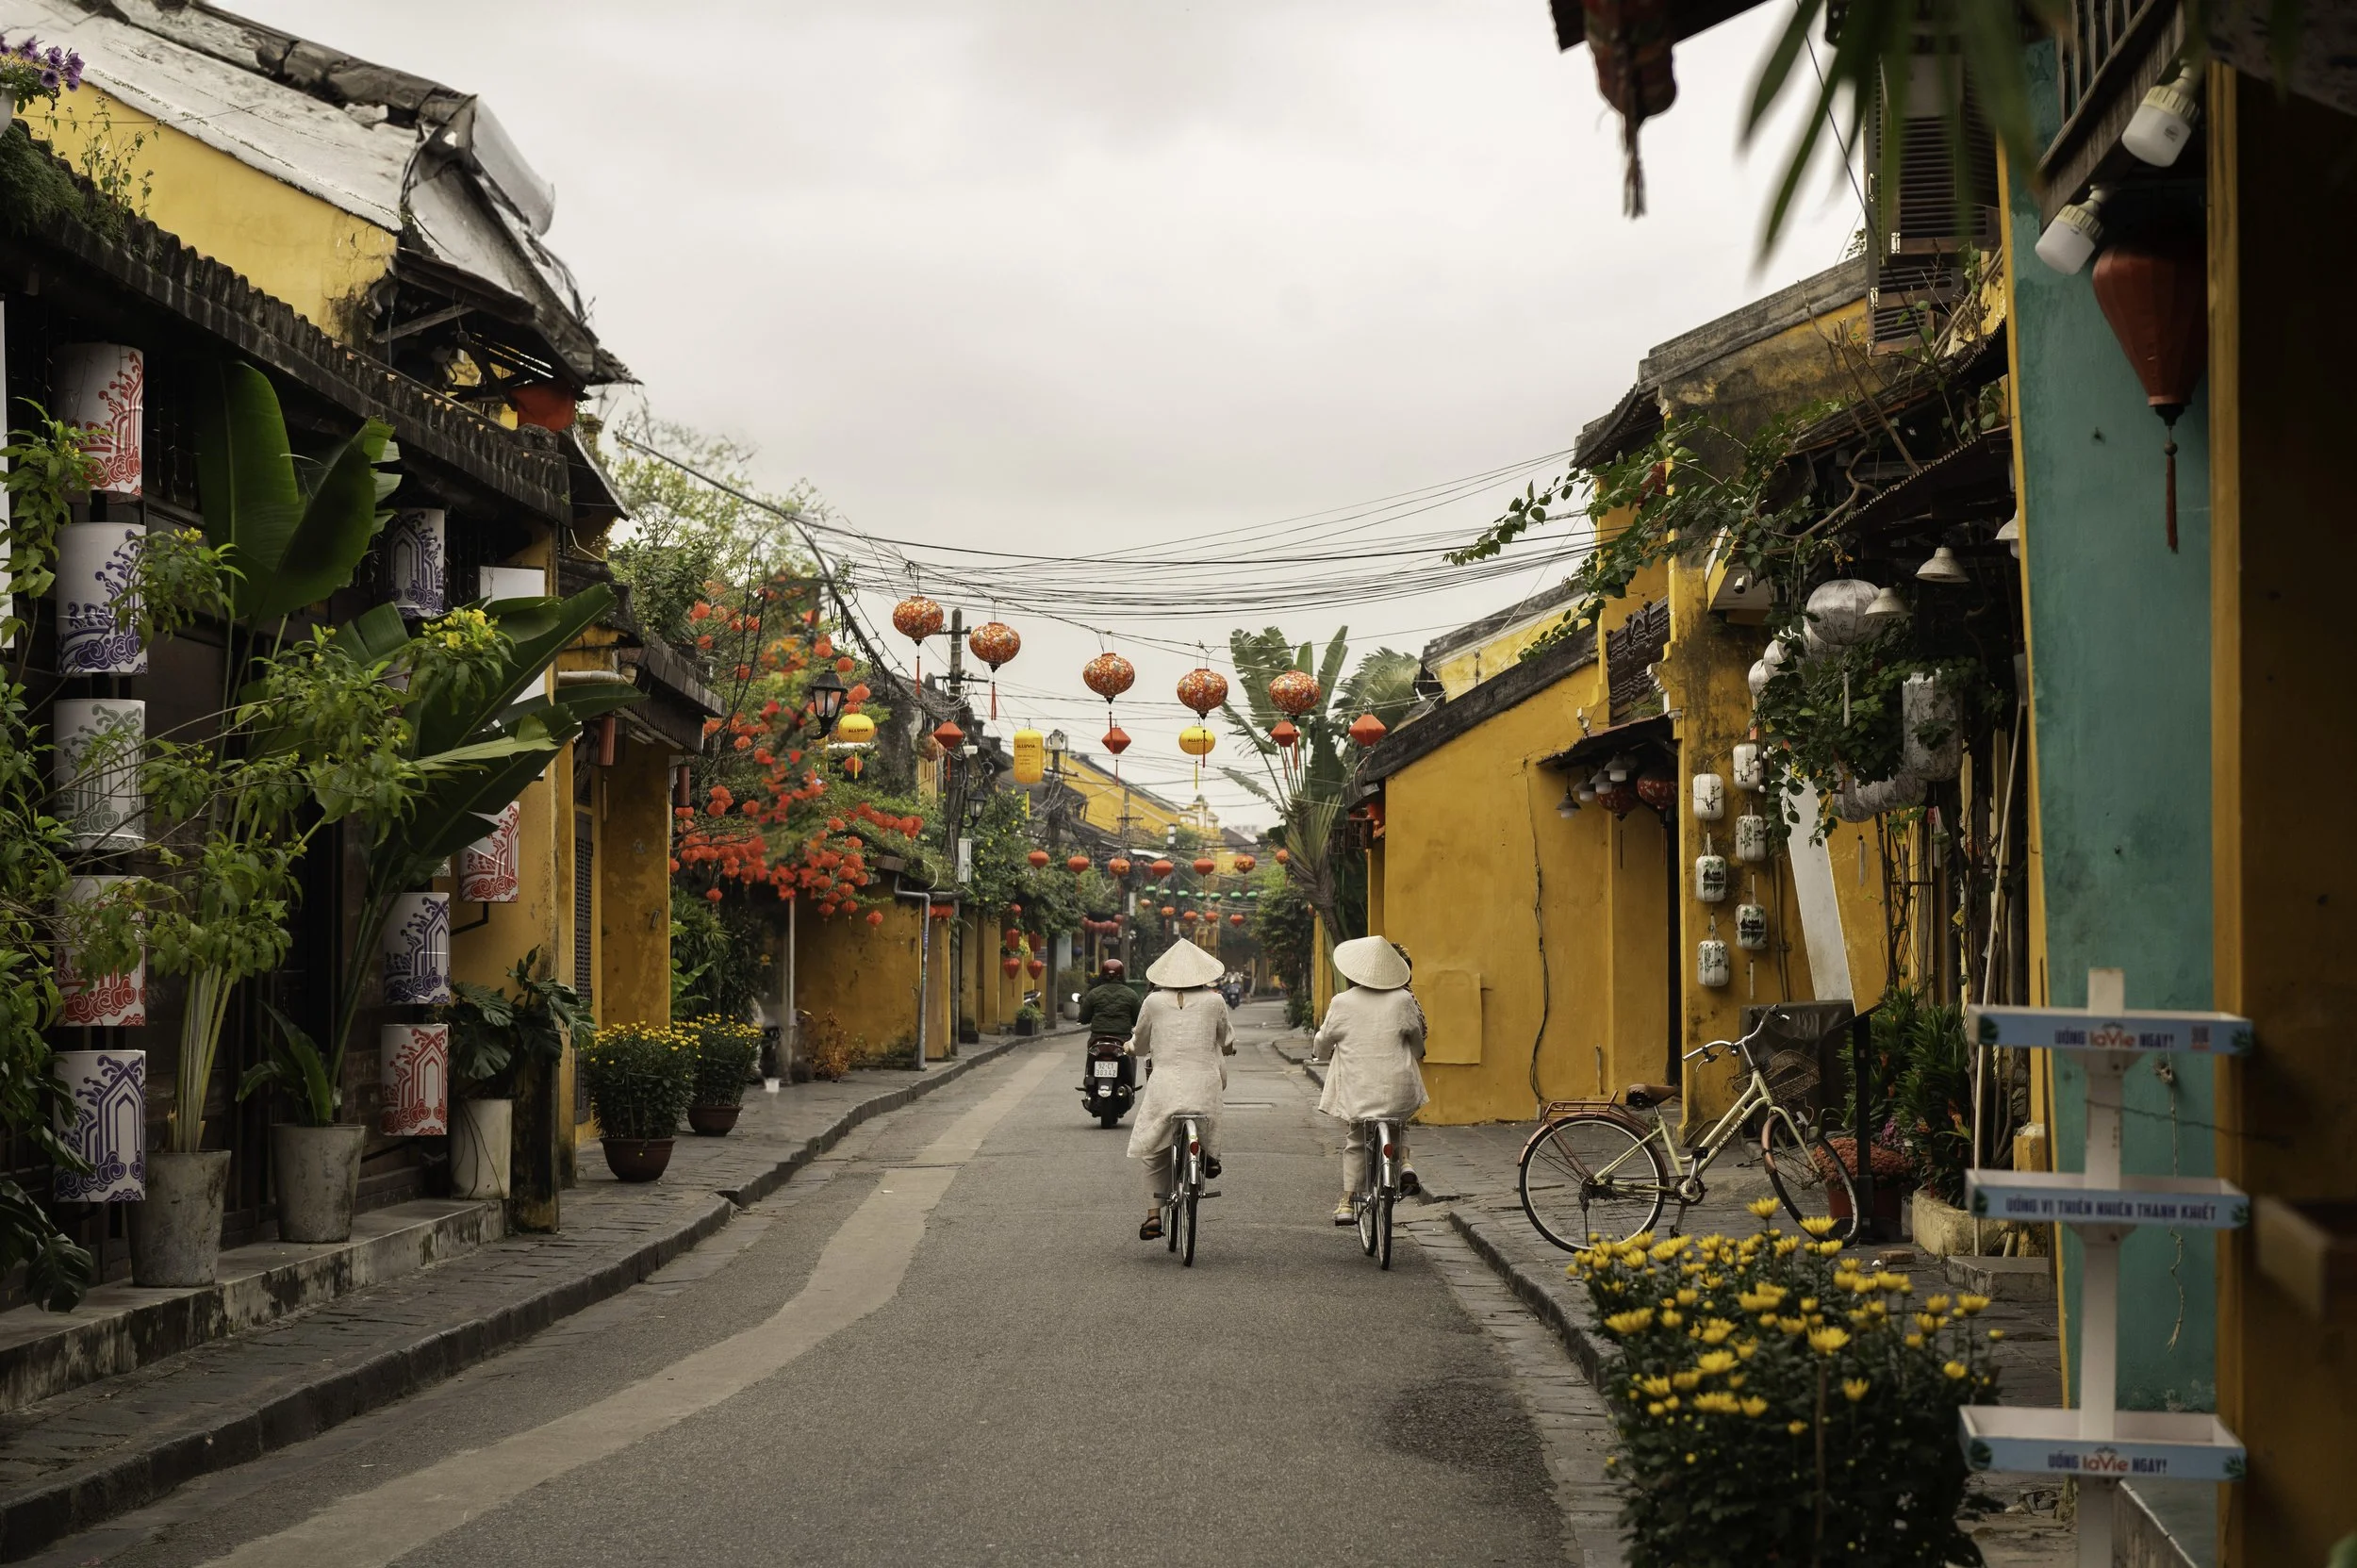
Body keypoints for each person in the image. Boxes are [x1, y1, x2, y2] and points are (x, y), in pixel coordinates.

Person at [1125, 940, 1234, 1240]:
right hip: (1204, 1085)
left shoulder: (1154, 1002)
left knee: (1153, 1150)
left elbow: (1141, 1043)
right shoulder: (1215, 1001)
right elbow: (1225, 1039)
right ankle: (1209, 1155)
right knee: (1208, 1117)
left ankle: (1152, 1217)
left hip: (1164, 1088)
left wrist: (1130, 1046)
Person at [1313, 935, 1426, 1225]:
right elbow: (1416, 1043)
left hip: (1359, 1090)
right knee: (1398, 1121)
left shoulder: (1342, 1002)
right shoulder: (1403, 999)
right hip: (1397, 1089)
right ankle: (1404, 1165)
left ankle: (1348, 1202)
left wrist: (1320, 1052)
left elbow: (1324, 1041)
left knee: (1356, 1140)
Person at [1075, 960, 1140, 1040]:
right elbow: (1138, 1019)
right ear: (1122, 975)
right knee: (1129, 1051)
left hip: (1098, 1037)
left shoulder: (1094, 993)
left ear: (1102, 974)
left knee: (1092, 1051)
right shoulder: (1131, 994)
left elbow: (1084, 1018)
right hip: (1123, 1037)